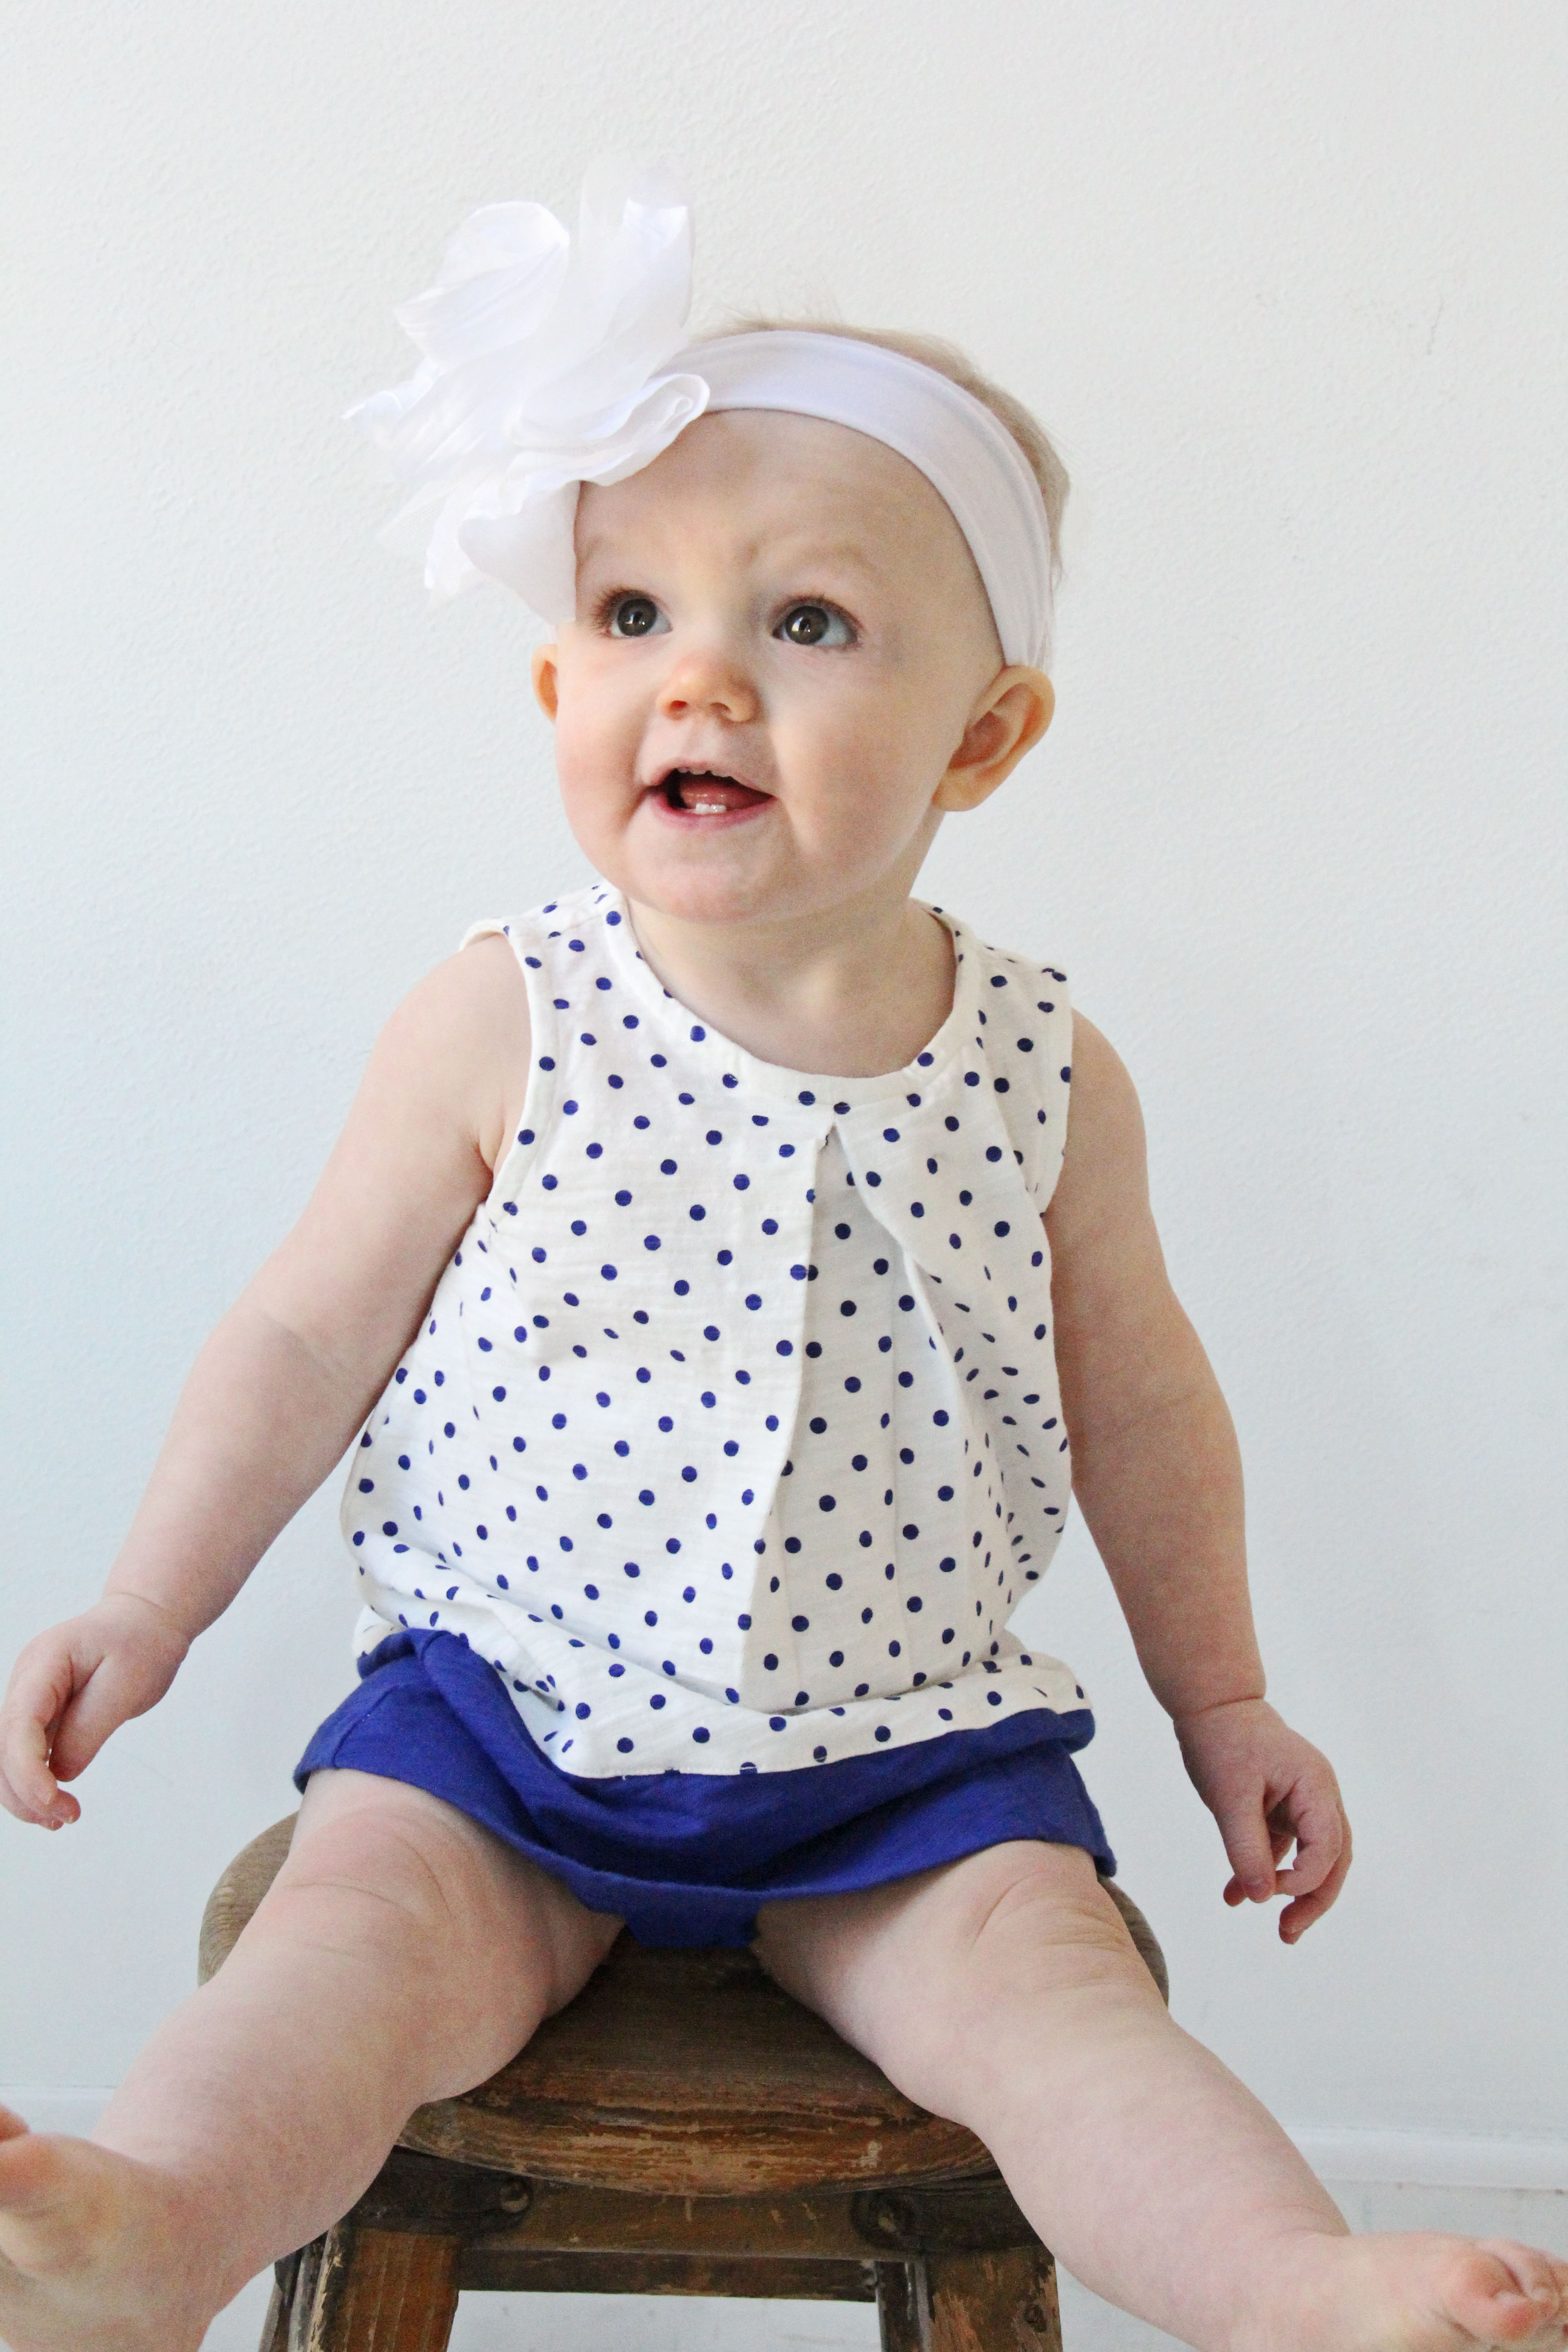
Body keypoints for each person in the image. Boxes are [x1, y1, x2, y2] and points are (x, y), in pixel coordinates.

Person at [0, 166, 1562, 2352]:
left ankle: (1290, 2288)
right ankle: (147, 2232)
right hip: (506, 1730)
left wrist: (1222, 1701)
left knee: (1058, 2009)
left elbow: (1142, 1405)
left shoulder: (1043, 1069)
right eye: (635, 613)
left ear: (983, 738)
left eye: (808, 624)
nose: (703, 680)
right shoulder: (505, 1015)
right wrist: (147, 1604)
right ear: (557, 674)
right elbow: (298, 1334)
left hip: (901, 1758)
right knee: (348, 1956)